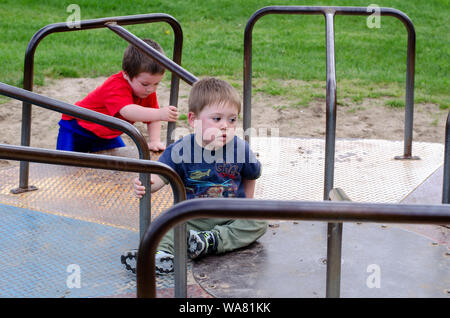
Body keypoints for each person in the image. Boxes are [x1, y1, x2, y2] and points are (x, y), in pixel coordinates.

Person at [122, 77, 267, 274]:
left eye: (232, 119)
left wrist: (247, 204)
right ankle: (156, 256)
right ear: (193, 120)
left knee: (259, 220)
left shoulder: (240, 148)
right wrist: (147, 183)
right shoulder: (181, 150)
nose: (225, 125)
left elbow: (251, 175)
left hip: (230, 215)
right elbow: (161, 175)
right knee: (163, 225)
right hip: (192, 216)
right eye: (217, 119)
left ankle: (212, 240)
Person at [56, 38, 178, 153]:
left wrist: (154, 141)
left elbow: (153, 117)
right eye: (145, 84)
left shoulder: (147, 90)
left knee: (122, 167)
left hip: (106, 135)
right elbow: (127, 111)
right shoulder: (115, 86)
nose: (151, 89)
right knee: (65, 168)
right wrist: (160, 114)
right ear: (126, 74)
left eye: (156, 83)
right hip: (77, 129)